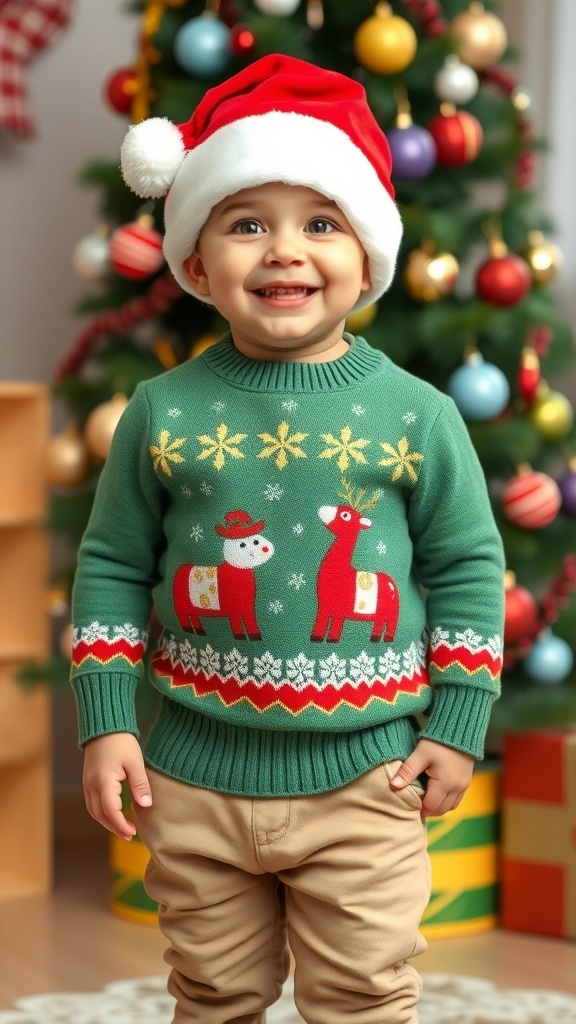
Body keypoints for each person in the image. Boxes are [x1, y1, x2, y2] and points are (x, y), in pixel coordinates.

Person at [72, 54, 505, 1024]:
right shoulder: (161, 410)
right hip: (191, 775)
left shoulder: (419, 415)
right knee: (213, 992)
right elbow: (109, 564)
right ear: (195, 263)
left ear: (370, 255)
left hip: (367, 777)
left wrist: (458, 721)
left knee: (363, 995)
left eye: (320, 222)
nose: (284, 251)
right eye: (246, 222)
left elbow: (469, 567)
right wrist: (106, 716)